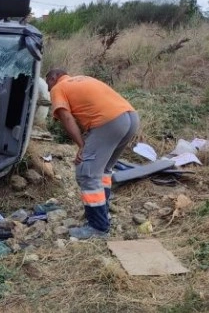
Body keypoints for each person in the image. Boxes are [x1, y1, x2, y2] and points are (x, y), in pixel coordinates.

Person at [46, 69, 140, 239]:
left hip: (110, 121)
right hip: (130, 117)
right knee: (102, 169)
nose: (47, 90)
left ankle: (98, 227)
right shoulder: (83, 79)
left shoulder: (58, 88)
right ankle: (103, 213)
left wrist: (81, 145)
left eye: (47, 84)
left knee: (87, 172)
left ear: (53, 78)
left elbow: (66, 119)